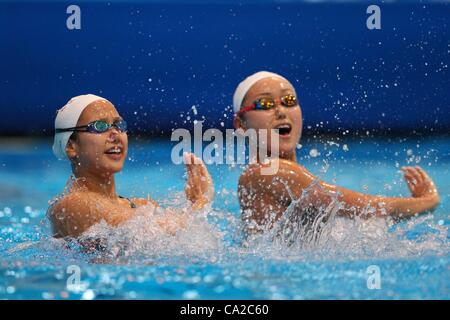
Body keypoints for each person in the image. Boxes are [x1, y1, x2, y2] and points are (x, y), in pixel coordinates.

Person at [233, 71, 440, 234]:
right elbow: (364, 208)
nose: (281, 111)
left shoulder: (281, 176)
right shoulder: (267, 172)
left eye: (289, 101)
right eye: (265, 104)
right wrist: (426, 201)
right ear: (240, 125)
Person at [47, 94, 213, 239]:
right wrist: (198, 205)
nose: (115, 133)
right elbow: (149, 232)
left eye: (118, 125)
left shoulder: (140, 206)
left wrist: (192, 206)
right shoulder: (71, 205)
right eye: (99, 126)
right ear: (71, 146)